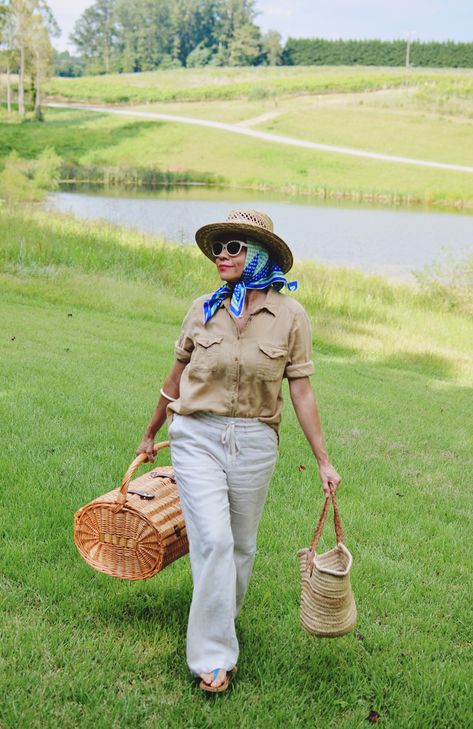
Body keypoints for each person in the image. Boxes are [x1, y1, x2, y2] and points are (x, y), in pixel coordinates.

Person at [136, 209, 341, 692]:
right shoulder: (203, 307)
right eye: (219, 247)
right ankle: (213, 659)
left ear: (259, 255)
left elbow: (302, 392)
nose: (222, 256)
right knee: (214, 541)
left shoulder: (291, 316)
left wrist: (323, 460)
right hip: (196, 436)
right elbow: (174, 380)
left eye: (234, 247)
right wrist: (150, 433)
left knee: (242, 545)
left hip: (254, 441)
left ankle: (221, 619)